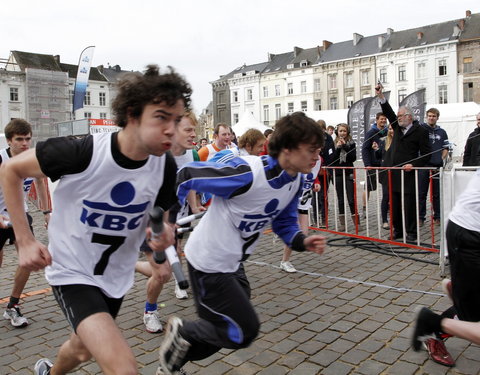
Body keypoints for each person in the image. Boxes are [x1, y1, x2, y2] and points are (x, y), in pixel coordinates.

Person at [0, 65, 191, 375]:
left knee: (81, 350)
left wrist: (161, 238)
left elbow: (161, 217)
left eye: (177, 119)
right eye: (161, 117)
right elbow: (10, 170)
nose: (172, 129)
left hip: (114, 278)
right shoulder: (81, 152)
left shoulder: (165, 166)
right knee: (123, 367)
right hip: (73, 272)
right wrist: (24, 239)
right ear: (132, 114)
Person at [157, 112, 326, 375]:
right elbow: (187, 174)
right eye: (312, 150)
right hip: (208, 262)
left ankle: (174, 359)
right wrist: (167, 218)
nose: (317, 157)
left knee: (228, 331)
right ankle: (183, 332)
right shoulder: (247, 173)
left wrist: (302, 241)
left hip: (233, 264)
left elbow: (284, 224)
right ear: (289, 149)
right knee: (243, 329)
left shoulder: (294, 181)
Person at [135, 111, 205, 334]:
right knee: (163, 273)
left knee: (167, 269)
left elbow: (191, 182)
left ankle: (126, 263)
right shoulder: (154, 155)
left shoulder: (191, 154)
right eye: (188, 130)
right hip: (149, 215)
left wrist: (194, 206)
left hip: (172, 212)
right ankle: (150, 311)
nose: (194, 134)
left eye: (194, 130)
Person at [412, 168, 480, 367]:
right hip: (469, 234)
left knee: (473, 310)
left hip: (469, 232)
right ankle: (432, 325)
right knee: (472, 317)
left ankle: (461, 292)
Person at [0, 119, 50, 328]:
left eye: (27, 139)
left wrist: (46, 211)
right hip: (0, 216)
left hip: (21, 216)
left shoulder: (33, 158)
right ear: (10, 141)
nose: (24, 143)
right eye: (19, 139)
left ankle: (13, 305)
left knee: (27, 260)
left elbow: (40, 181)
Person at [377, 84, 430, 242]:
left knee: (409, 204)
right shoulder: (397, 128)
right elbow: (389, 112)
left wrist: (413, 165)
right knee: (394, 204)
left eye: (401, 116)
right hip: (394, 173)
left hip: (408, 173)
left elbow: (427, 154)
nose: (398, 118)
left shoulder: (421, 131)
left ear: (409, 116)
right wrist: (381, 97)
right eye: (398, 116)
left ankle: (412, 233)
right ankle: (398, 230)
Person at [280, 155, 321, 273]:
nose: (316, 159)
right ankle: (285, 261)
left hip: (304, 203)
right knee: (295, 233)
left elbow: (313, 175)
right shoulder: (296, 161)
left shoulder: (318, 161)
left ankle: (284, 234)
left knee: (303, 234)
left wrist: (316, 184)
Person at [418, 108, 449, 227]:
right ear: (426, 117)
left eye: (434, 116)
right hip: (423, 166)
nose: (431, 118)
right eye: (429, 116)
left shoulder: (442, 132)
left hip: (437, 167)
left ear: (437, 117)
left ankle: (438, 217)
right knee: (421, 193)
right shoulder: (421, 129)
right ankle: (421, 217)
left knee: (437, 194)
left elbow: (446, 147)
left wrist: (440, 159)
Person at [331, 123, 357, 231]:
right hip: (338, 173)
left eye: (344, 131)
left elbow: (353, 158)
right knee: (340, 199)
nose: (342, 133)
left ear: (347, 132)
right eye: (340, 131)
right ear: (337, 132)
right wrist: (337, 148)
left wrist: (345, 147)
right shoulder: (333, 143)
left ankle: (356, 221)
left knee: (351, 198)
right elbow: (332, 160)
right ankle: (342, 223)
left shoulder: (351, 143)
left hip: (348, 172)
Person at [361, 113, 387, 219]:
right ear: (377, 120)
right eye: (381, 119)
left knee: (386, 187)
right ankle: (364, 208)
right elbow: (365, 149)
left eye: (385, 119)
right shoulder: (371, 132)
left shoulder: (387, 132)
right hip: (372, 164)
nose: (383, 121)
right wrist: (367, 164)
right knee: (368, 187)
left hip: (384, 164)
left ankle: (387, 208)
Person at [315, 120, 335, 228]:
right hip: (314, 170)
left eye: (321, 129)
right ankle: (315, 218)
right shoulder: (312, 138)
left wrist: (326, 165)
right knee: (315, 197)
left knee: (323, 195)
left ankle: (324, 218)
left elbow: (331, 154)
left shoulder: (329, 138)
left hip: (325, 170)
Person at [377, 124, 394, 228]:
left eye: (393, 129)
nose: (392, 131)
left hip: (397, 172)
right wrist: (376, 150)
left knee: (396, 197)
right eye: (390, 128)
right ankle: (384, 220)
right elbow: (378, 156)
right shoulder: (383, 140)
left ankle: (396, 219)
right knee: (386, 196)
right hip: (385, 172)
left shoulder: (401, 140)